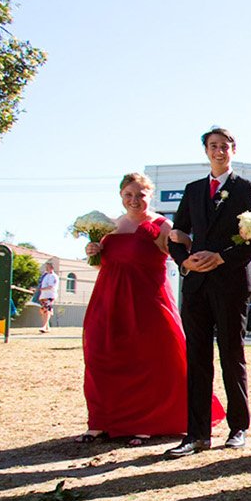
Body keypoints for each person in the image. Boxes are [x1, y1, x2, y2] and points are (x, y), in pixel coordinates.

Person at [81, 174, 222, 445]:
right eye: (128, 195)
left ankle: (145, 422)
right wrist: (92, 252)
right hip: (108, 299)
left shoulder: (161, 225)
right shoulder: (108, 226)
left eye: (140, 195)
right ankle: (101, 421)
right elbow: (104, 264)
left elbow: (183, 252)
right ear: (121, 195)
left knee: (145, 359)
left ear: (150, 196)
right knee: (102, 356)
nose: (134, 200)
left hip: (146, 300)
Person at [165, 125, 251, 457]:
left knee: (230, 353)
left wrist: (222, 257)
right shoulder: (193, 190)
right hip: (196, 285)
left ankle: (238, 427)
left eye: (224, 146)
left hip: (230, 282)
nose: (218, 151)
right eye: (213, 146)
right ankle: (197, 433)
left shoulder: (245, 188)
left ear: (233, 150)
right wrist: (186, 262)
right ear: (205, 151)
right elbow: (177, 232)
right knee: (196, 358)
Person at [36, 261, 59, 332]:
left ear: (51, 267)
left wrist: (40, 289)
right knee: (43, 310)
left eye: (47, 266)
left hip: (50, 295)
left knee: (46, 310)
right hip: (43, 295)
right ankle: (47, 327)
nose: (46, 268)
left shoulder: (53, 276)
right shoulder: (45, 275)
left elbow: (50, 286)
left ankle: (44, 326)